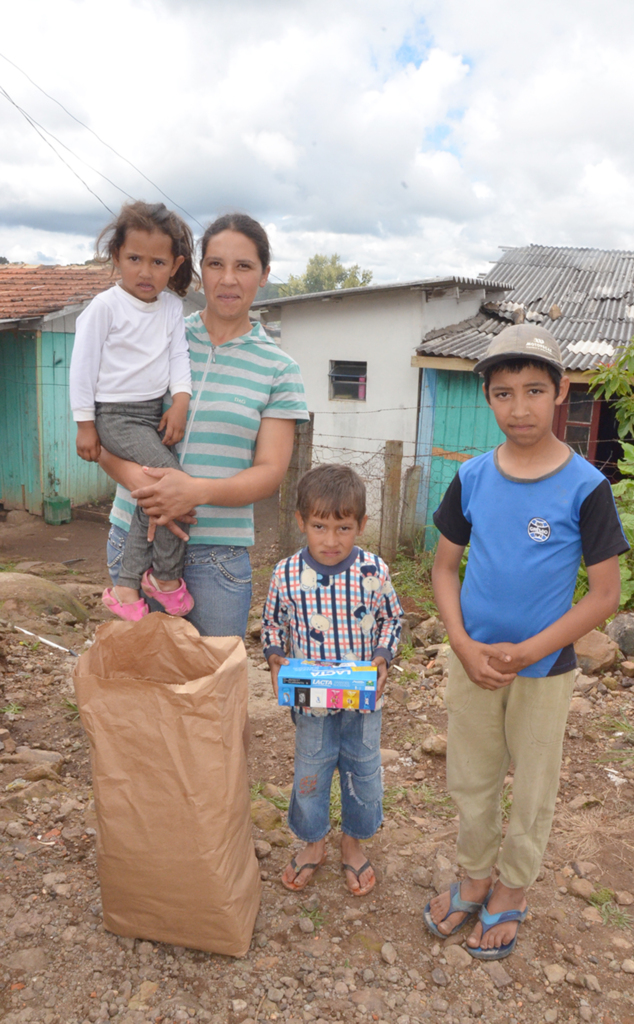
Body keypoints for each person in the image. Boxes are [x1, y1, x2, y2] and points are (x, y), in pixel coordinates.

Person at [424, 325, 628, 960]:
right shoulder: (474, 479)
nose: (520, 408)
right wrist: (461, 643)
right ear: (488, 398)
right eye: (504, 393)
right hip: (475, 661)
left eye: (535, 390)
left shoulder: (586, 487)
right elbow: (442, 568)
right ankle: (475, 874)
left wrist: (534, 648)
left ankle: (512, 890)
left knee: (534, 783)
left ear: (562, 391)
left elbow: (603, 595)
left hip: (545, 670)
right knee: (472, 775)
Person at [98, 212, 308, 640]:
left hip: (217, 557)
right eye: (215, 264)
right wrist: (153, 491)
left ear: (265, 274)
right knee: (139, 687)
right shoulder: (156, 334)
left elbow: (270, 471)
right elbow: (110, 429)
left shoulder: (279, 369)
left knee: (210, 691)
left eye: (244, 266)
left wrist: (195, 492)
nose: (228, 279)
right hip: (137, 539)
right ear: (199, 273)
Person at [262, 464, 403, 896]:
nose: (330, 540)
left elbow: (391, 620)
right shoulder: (286, 575)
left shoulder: (373, 573)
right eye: (319, 526)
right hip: (312, 706)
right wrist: (275, 660)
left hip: (363, 705)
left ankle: (353, 843)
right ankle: (313, 842)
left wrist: (381, 658)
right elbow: (271, 626)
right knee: (310, 772)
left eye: (343, 527)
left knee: (363, 772)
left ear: (361, 525)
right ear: (301, 522)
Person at [70, 201, 196, 621]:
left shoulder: (171, 309)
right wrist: (85, 425)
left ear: (175, 264)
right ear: (117, 258)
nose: (145, 271)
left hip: (151, 414)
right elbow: (82, 368)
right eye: (134, 259)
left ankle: (130, 585)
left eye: (158, 261)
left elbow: (179, 357)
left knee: (151, 493)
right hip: (115, 416)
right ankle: (160, 577)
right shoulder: (104, 307)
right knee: (171, 483)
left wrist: (180, 400)